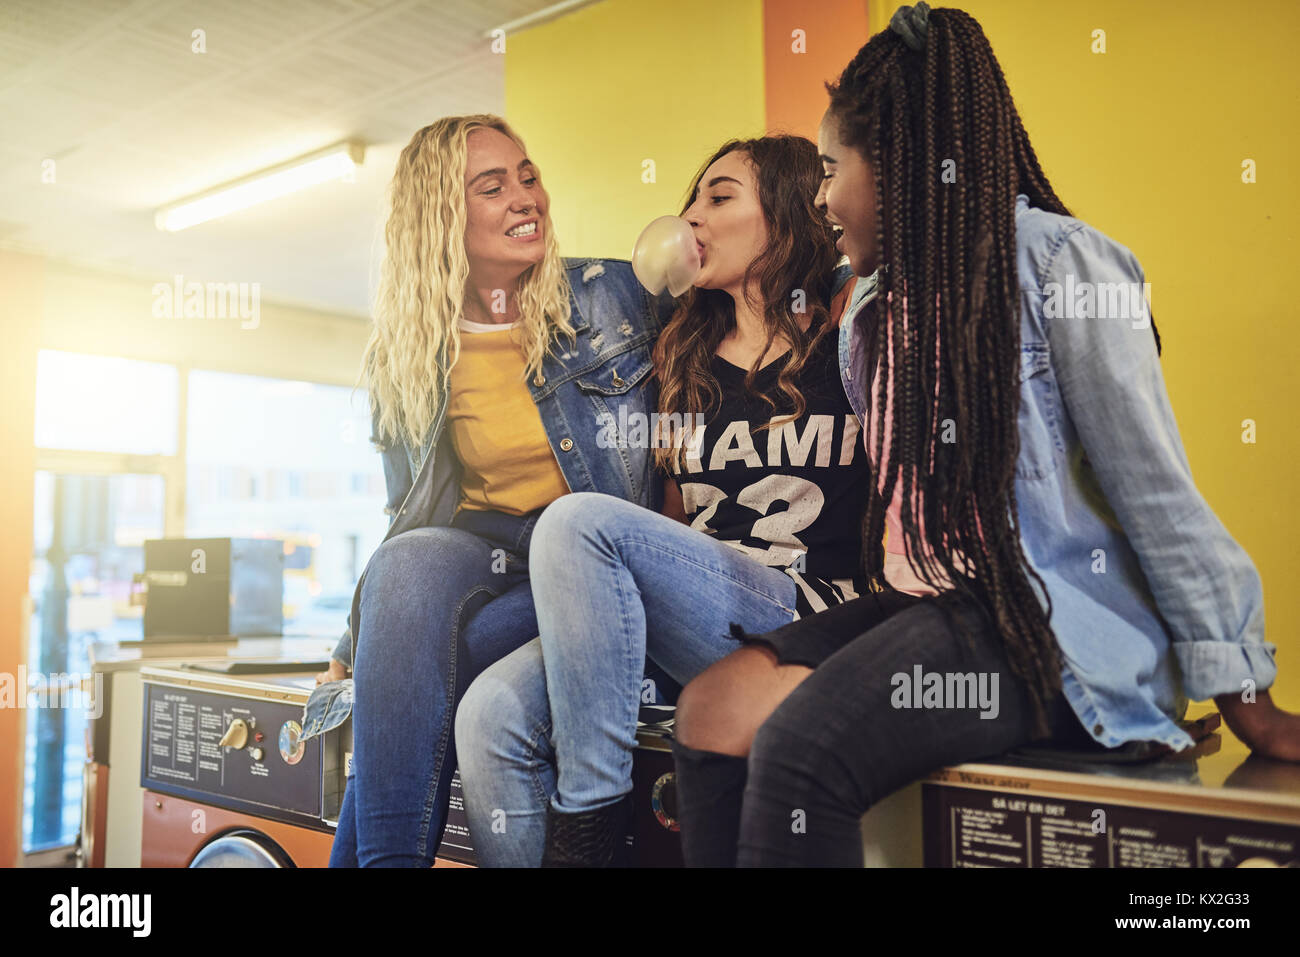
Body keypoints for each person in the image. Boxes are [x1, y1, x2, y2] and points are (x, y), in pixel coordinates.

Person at [670, 2, 1300, 868]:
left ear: (894, 164)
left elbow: (1154, 488)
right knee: (711, 710)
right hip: (934, 608)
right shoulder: (870, 315)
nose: (820, 197)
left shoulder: (1060, 262)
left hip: (1035, 621)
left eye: (829, 168)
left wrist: (1244, 692)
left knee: (801, 752)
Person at [454, 133, 869, 867]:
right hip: (697, 618)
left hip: (807, 618)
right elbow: (673, 523)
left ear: (787, 210)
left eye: (720, 196)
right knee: (490, 714)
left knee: (576, 522)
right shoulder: (682, 358)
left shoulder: (849, 334)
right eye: (691, 199)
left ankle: (589, 829)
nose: (691, 218)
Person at [297, 114, 674, 867]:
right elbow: (406, 514)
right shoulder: (412, 352)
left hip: (587, 558)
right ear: (443, 216)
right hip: (485, 547)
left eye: (528, 176)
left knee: (423, 673)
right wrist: (353, 641)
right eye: (492, 186)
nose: (524, 197)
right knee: (404, 568)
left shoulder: (617, 297)